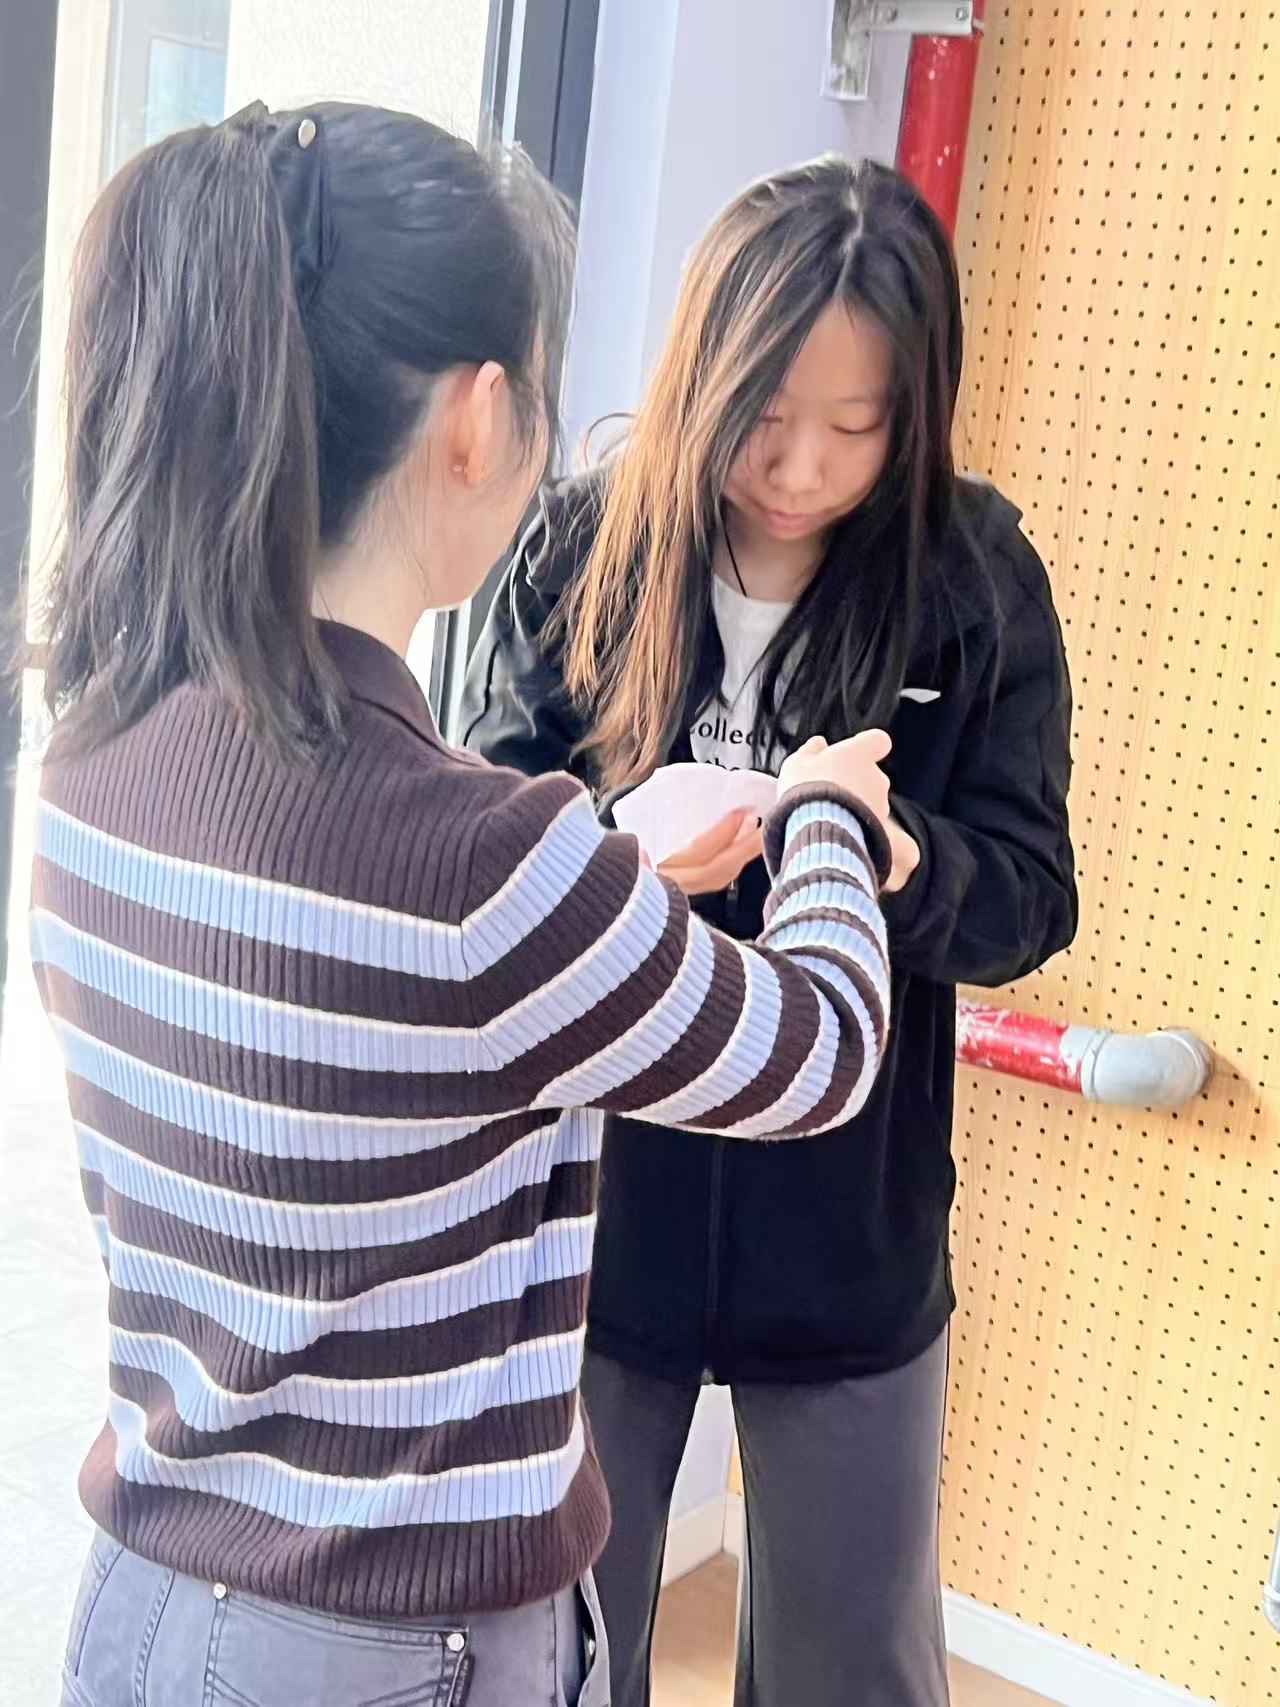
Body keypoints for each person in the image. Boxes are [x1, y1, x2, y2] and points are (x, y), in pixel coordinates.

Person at [32, 108, 901, 1707]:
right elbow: (823, 1047)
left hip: (143, 1609)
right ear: (477, 416)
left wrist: (607, 870)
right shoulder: (490, 868)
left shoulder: (94, 758)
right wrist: (828, 810)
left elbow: (362, 1006)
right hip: (389, 1652)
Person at [462, 156, 1078, 1707]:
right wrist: (620, 846)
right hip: (593, 1217)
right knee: (543, 1655)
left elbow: (1029, 892)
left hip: (851, 1230)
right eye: (766, 418)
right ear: (701, 378)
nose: (802, 469)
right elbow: (481, 838)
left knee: (852, 1669)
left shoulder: (974, 581)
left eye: (857, 427)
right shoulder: (580, 544)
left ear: (914, 412)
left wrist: (896, 859)